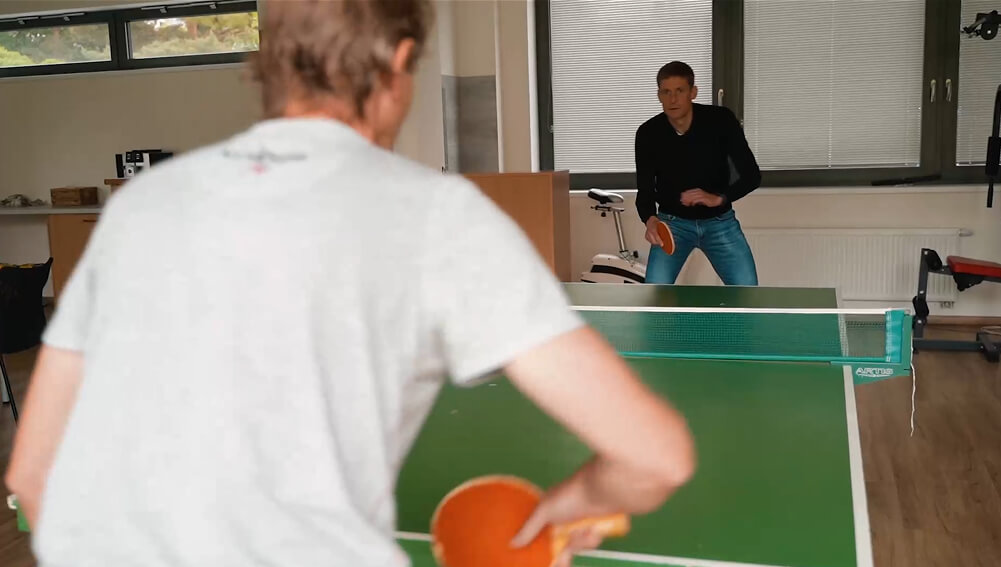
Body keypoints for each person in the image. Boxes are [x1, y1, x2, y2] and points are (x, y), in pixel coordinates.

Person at [5, 2, 696, 567]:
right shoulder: (438, 214)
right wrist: (575, 501)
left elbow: (33, 474)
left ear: (268, 61)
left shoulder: (140, 204)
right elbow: (654, 456)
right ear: (398, 62)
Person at [635, 61, 762, 286]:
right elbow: (645, 190)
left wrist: (719, 198)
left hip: (720, 223)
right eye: (666, 92)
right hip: (672, 225)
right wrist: (650, 220)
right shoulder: (648, 133)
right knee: (654, 294)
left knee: (748, 292)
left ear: (693, 92)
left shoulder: (721, 121)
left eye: (680, 91)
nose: (673, 99)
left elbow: (752, 176)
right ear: (659, 95)